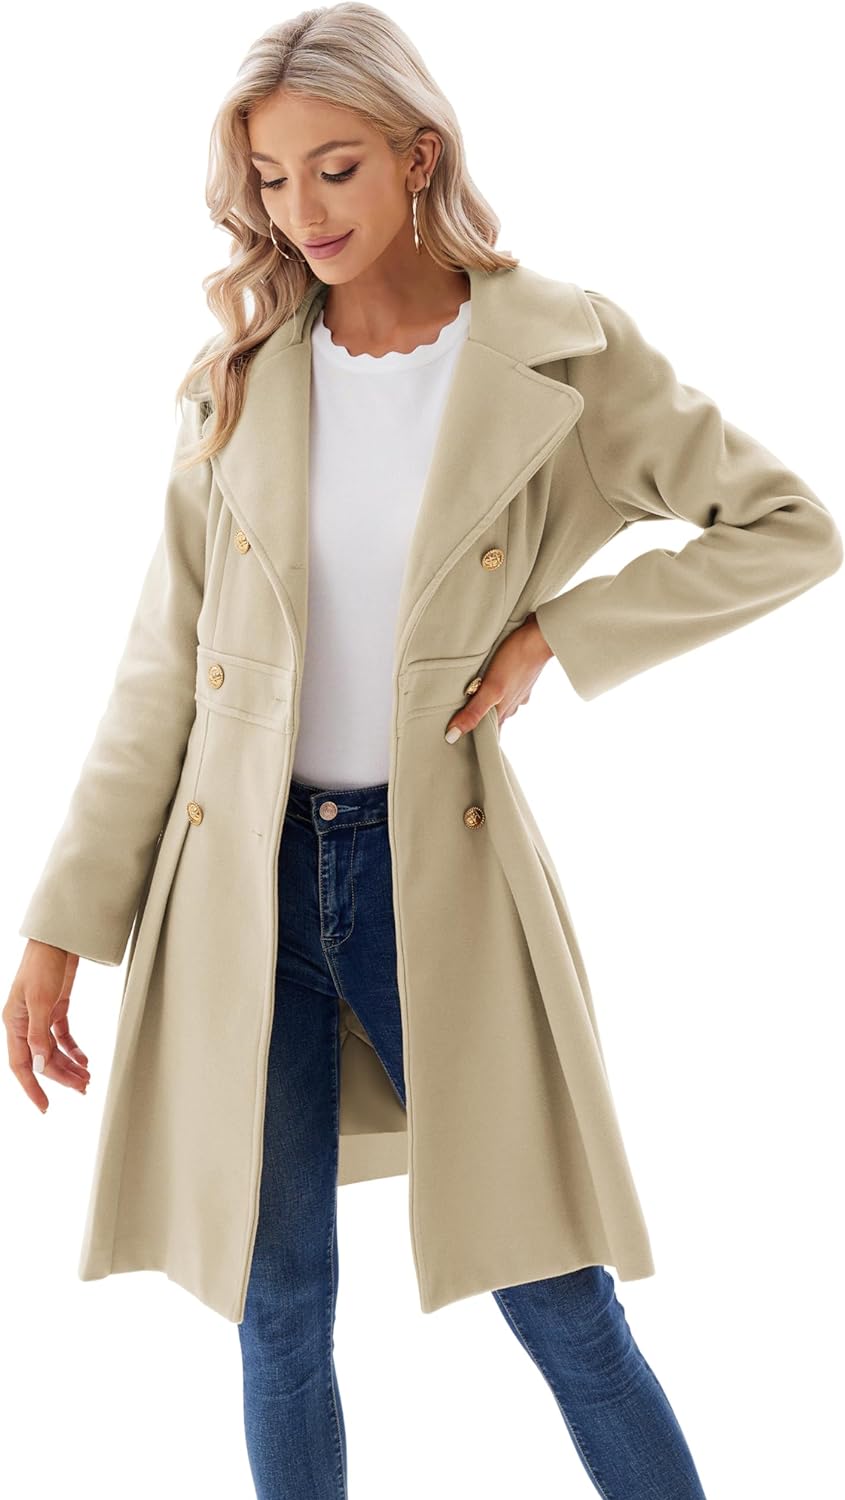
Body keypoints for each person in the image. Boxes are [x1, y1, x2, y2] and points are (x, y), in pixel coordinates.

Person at [6, 7, 841, 1499]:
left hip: (431, 871)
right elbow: (162, 676)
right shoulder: (239, 378)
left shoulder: (559, 352)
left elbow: (788, 528)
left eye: (335, 168)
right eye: (271, 180)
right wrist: (61, 928)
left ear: (419, 155)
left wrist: (558, 635)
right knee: (276, 1313)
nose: (302, 213)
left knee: (557, 1295)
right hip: (237, 890)